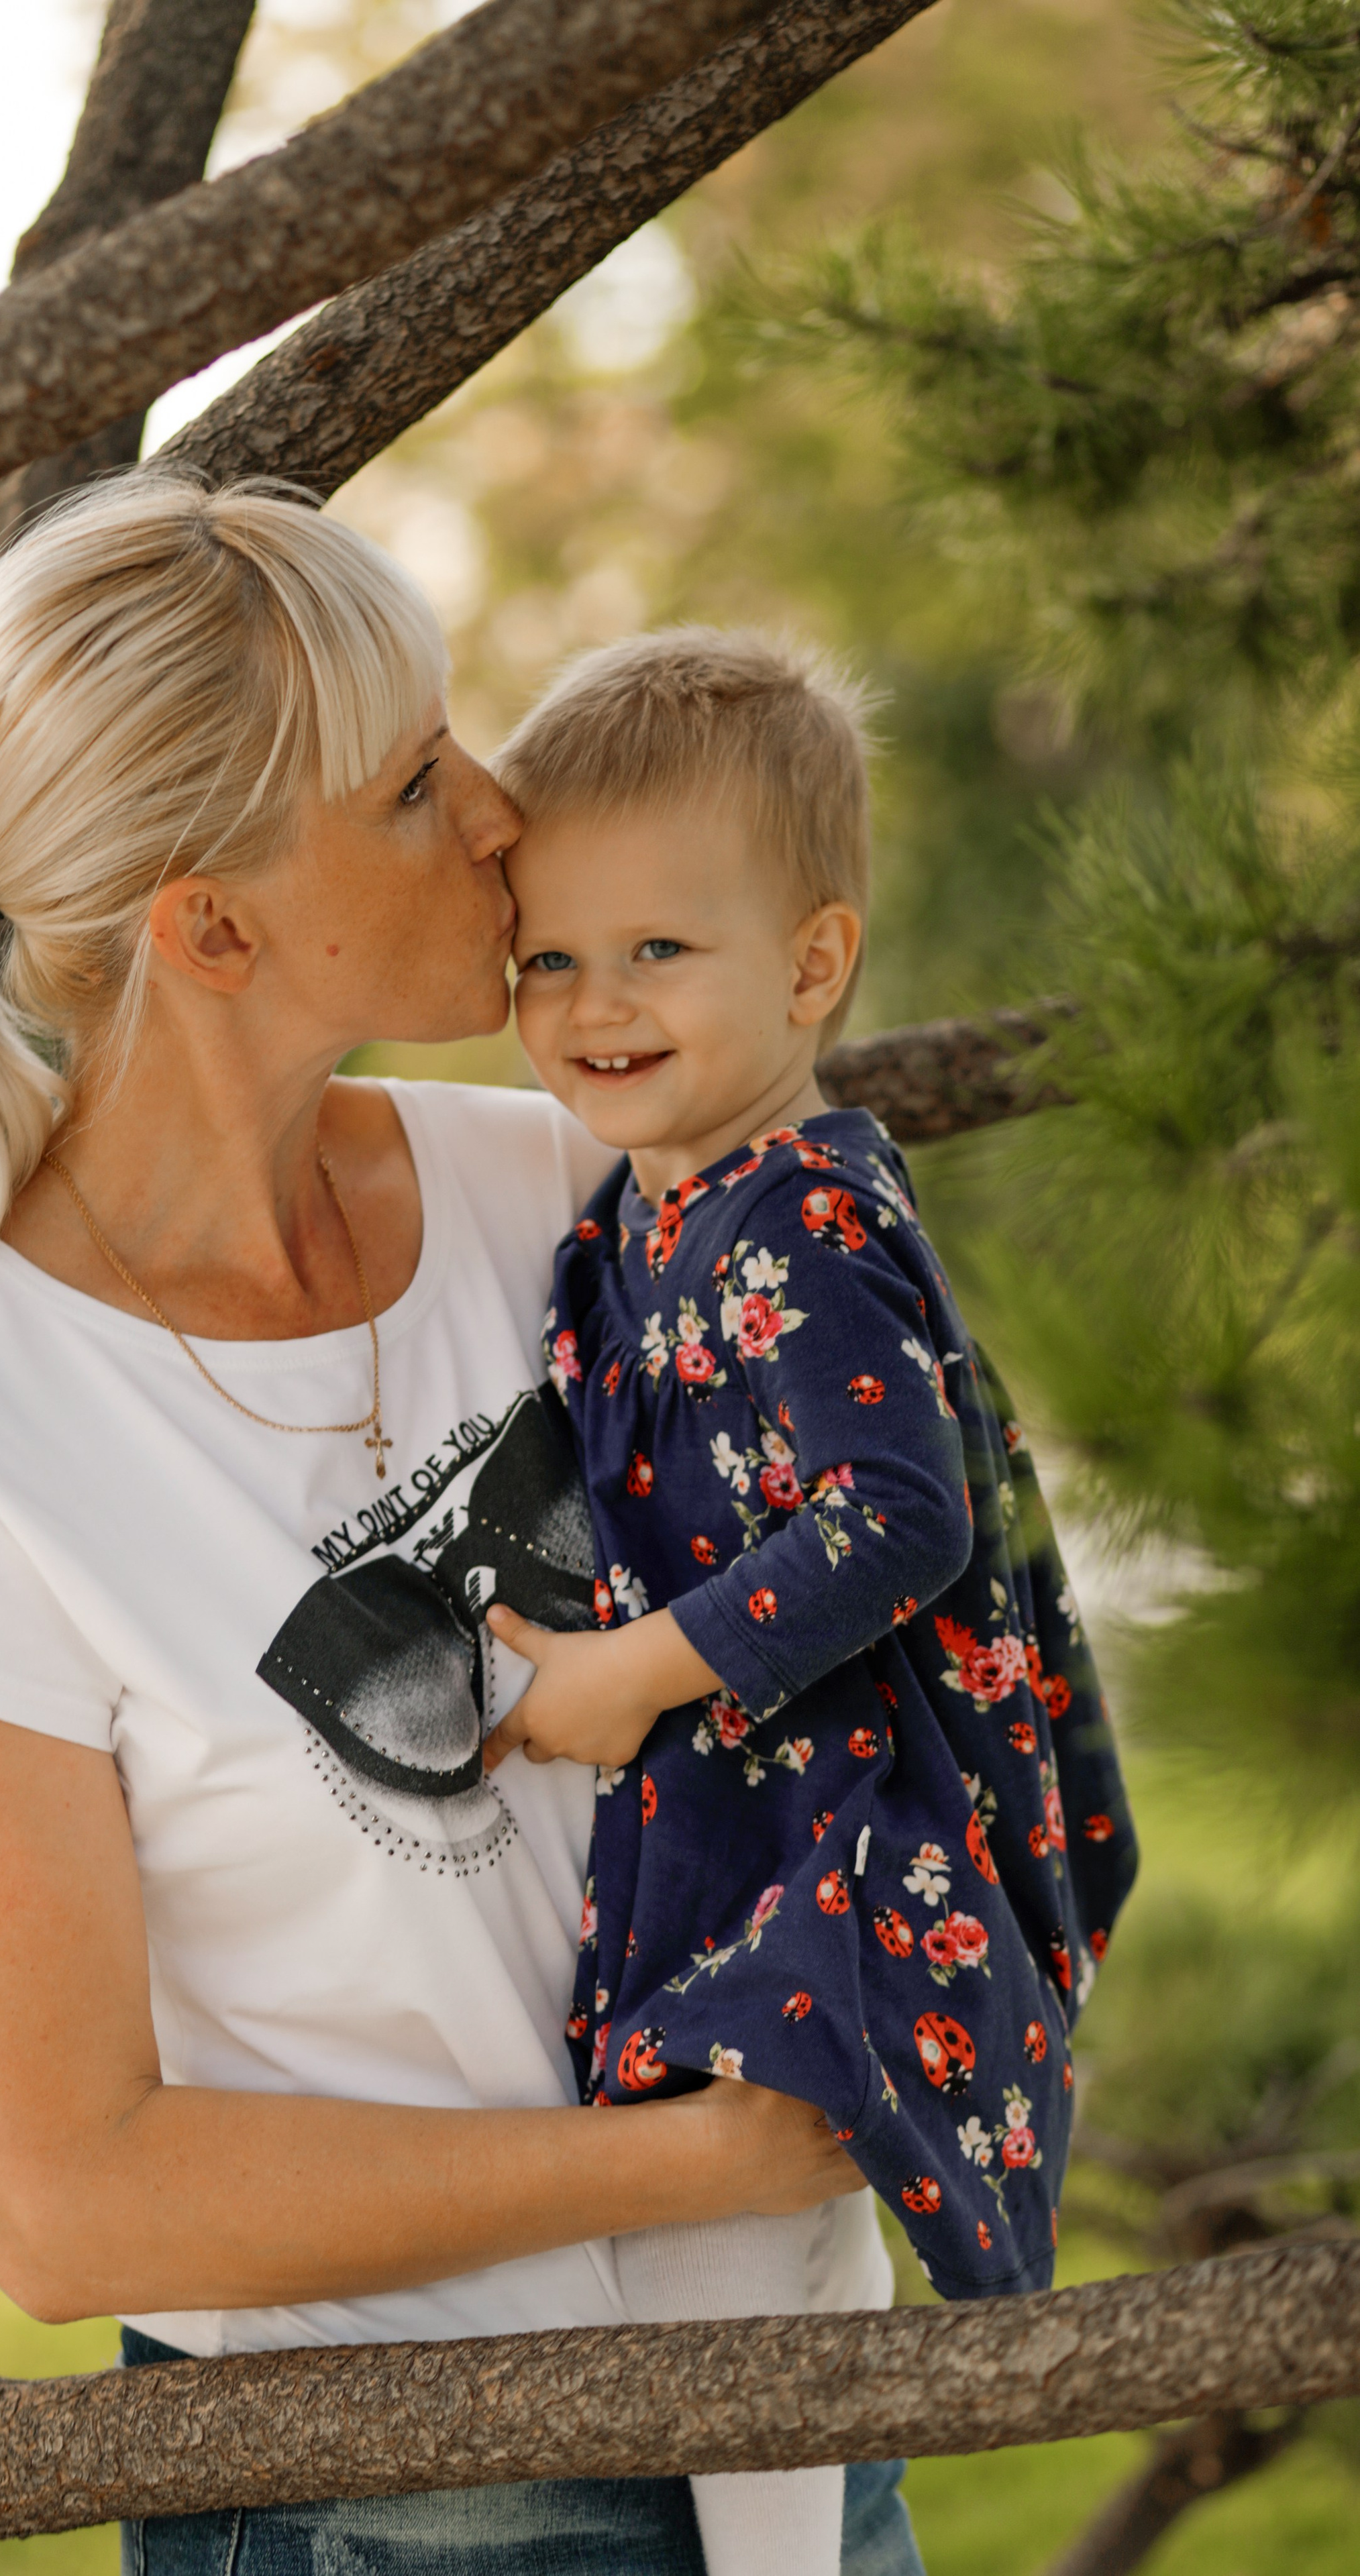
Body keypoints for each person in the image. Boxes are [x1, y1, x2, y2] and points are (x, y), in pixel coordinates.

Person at [0, 482, 902, 2576]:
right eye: (409, 784)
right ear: (211, 926)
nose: (500, 807)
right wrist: (681, 2164)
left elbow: (880, 1540)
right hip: (405, 2487)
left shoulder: (564, 1176)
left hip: (795, 2396)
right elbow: (58, 2201)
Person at [482, 629, 1139, 2576]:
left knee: (743, 2299)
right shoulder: (648, 1206)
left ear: (816, 965)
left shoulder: (805, 1217)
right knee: (724, 2295)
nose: (593, 1004)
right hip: (754, 1827)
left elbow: (898, 1517)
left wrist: (630, 1678)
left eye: (658, 951)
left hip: (832, 1837)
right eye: (548, 958)